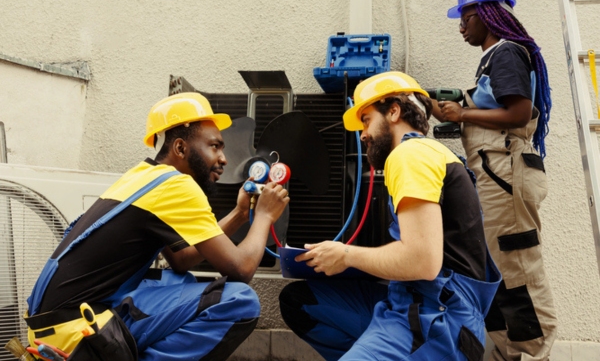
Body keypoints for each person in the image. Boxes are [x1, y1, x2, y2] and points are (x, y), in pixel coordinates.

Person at [24, 92, 290, 360]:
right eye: (214, 146)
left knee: (178, 280)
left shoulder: (145, 177)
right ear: (180, 148)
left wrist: (240, 214)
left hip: (49, 325)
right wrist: (265, 216)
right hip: (77, 329)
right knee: (239, 301)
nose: (223, 159)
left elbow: (182, 259)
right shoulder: (177, 185)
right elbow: (241, 269)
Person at [279, 71, 501, 360]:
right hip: (411, 300)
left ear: (394, 111)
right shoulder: (434, 154)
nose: (362, 134)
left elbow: (422, 260)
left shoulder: (409, 155)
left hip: (437, 317)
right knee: (300, 301)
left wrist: (345, 256)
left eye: (367, 120)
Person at [435, 0, 557, 361]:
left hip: (507, 172)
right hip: (496, 173)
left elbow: (519, 113)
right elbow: (498, 109)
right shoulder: (494, 57)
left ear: (487, 14)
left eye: (466, 18)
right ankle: (508, 353)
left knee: (517, 267)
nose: (461, 27)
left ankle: (536, 354)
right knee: (498, 268)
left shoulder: (506, 52)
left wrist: (463, 112)